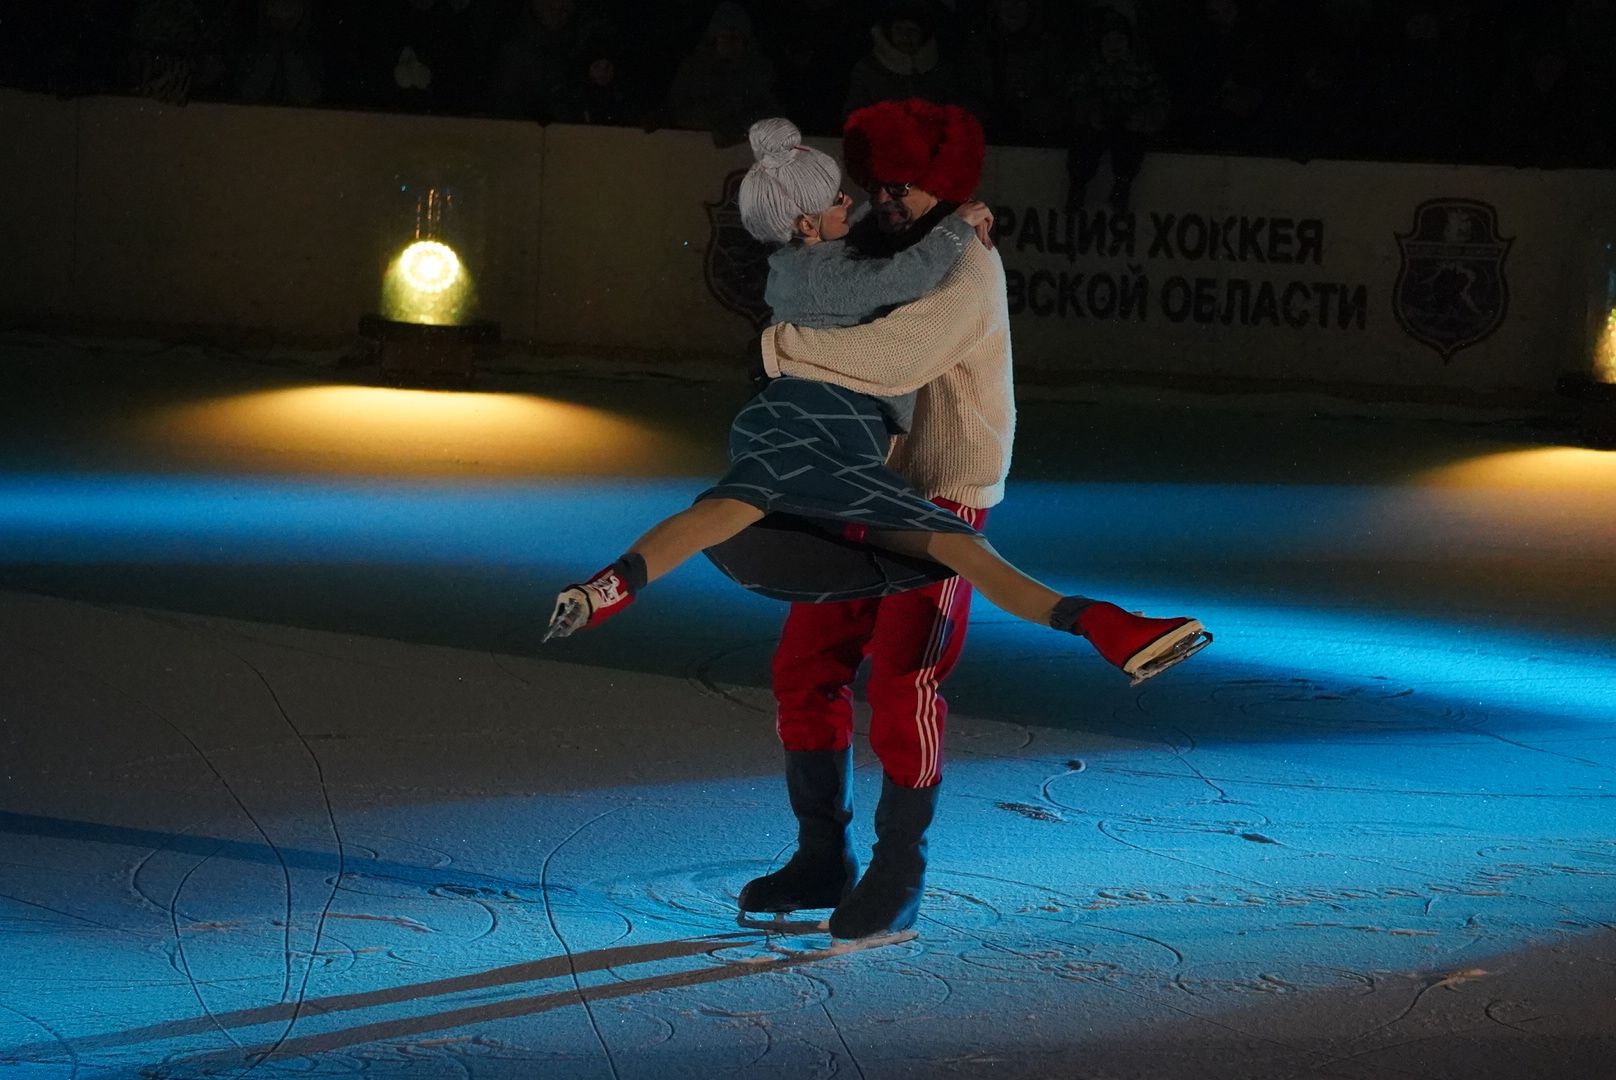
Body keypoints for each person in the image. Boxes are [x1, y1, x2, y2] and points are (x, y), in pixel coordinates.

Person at [545, 105, 1210, 940]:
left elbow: (893, 358)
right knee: (805, 666)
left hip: (940, 490)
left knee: (905, 679)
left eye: (905, 185)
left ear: (948, 185)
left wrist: (777, 348)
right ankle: (824, 853)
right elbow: (821, 282)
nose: (886, 198)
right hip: (845, 480)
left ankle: (901, 872)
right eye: (879, 184)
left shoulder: (968, 265)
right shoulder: (874, 241)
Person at [1065, 12, 1168, 211]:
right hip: (1096, 125)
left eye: (1120, 39)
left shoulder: (1141, 69)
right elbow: (1073, 95)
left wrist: (1143, 118)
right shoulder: (1089, 67)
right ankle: (1077, 188)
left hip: (1128, 126)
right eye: (1108, 40)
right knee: (1082, 146)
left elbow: (1159, 99)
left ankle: (1122, 187)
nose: (1114, 45)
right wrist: (1089, 113)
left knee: (1131, 146)